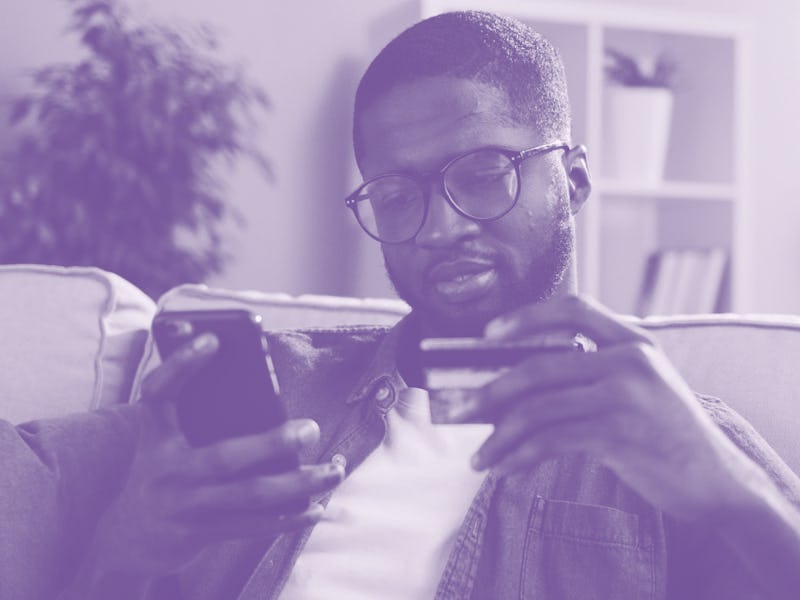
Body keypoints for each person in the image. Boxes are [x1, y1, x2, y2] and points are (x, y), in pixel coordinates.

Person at [52, 10, 800, 599]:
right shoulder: (279, 390)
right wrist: (123, 551)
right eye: (397, 195)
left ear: (571, 181)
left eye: (483, 173)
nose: (442, 227)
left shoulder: (676, 434)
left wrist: (736, 503)